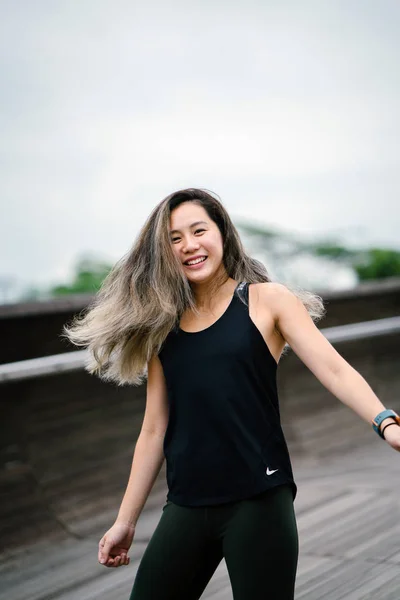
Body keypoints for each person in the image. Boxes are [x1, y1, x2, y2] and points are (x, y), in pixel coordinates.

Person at [64, 188, 400, 600]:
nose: (189, 245)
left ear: (221, 232)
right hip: (187, 505)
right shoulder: (162, 326)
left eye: (198, 230)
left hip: (258, 502)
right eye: (174, 238)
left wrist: (385, 422)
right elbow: (154, 430)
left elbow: (333, 369)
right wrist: (125, 522)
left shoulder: (267, 301)